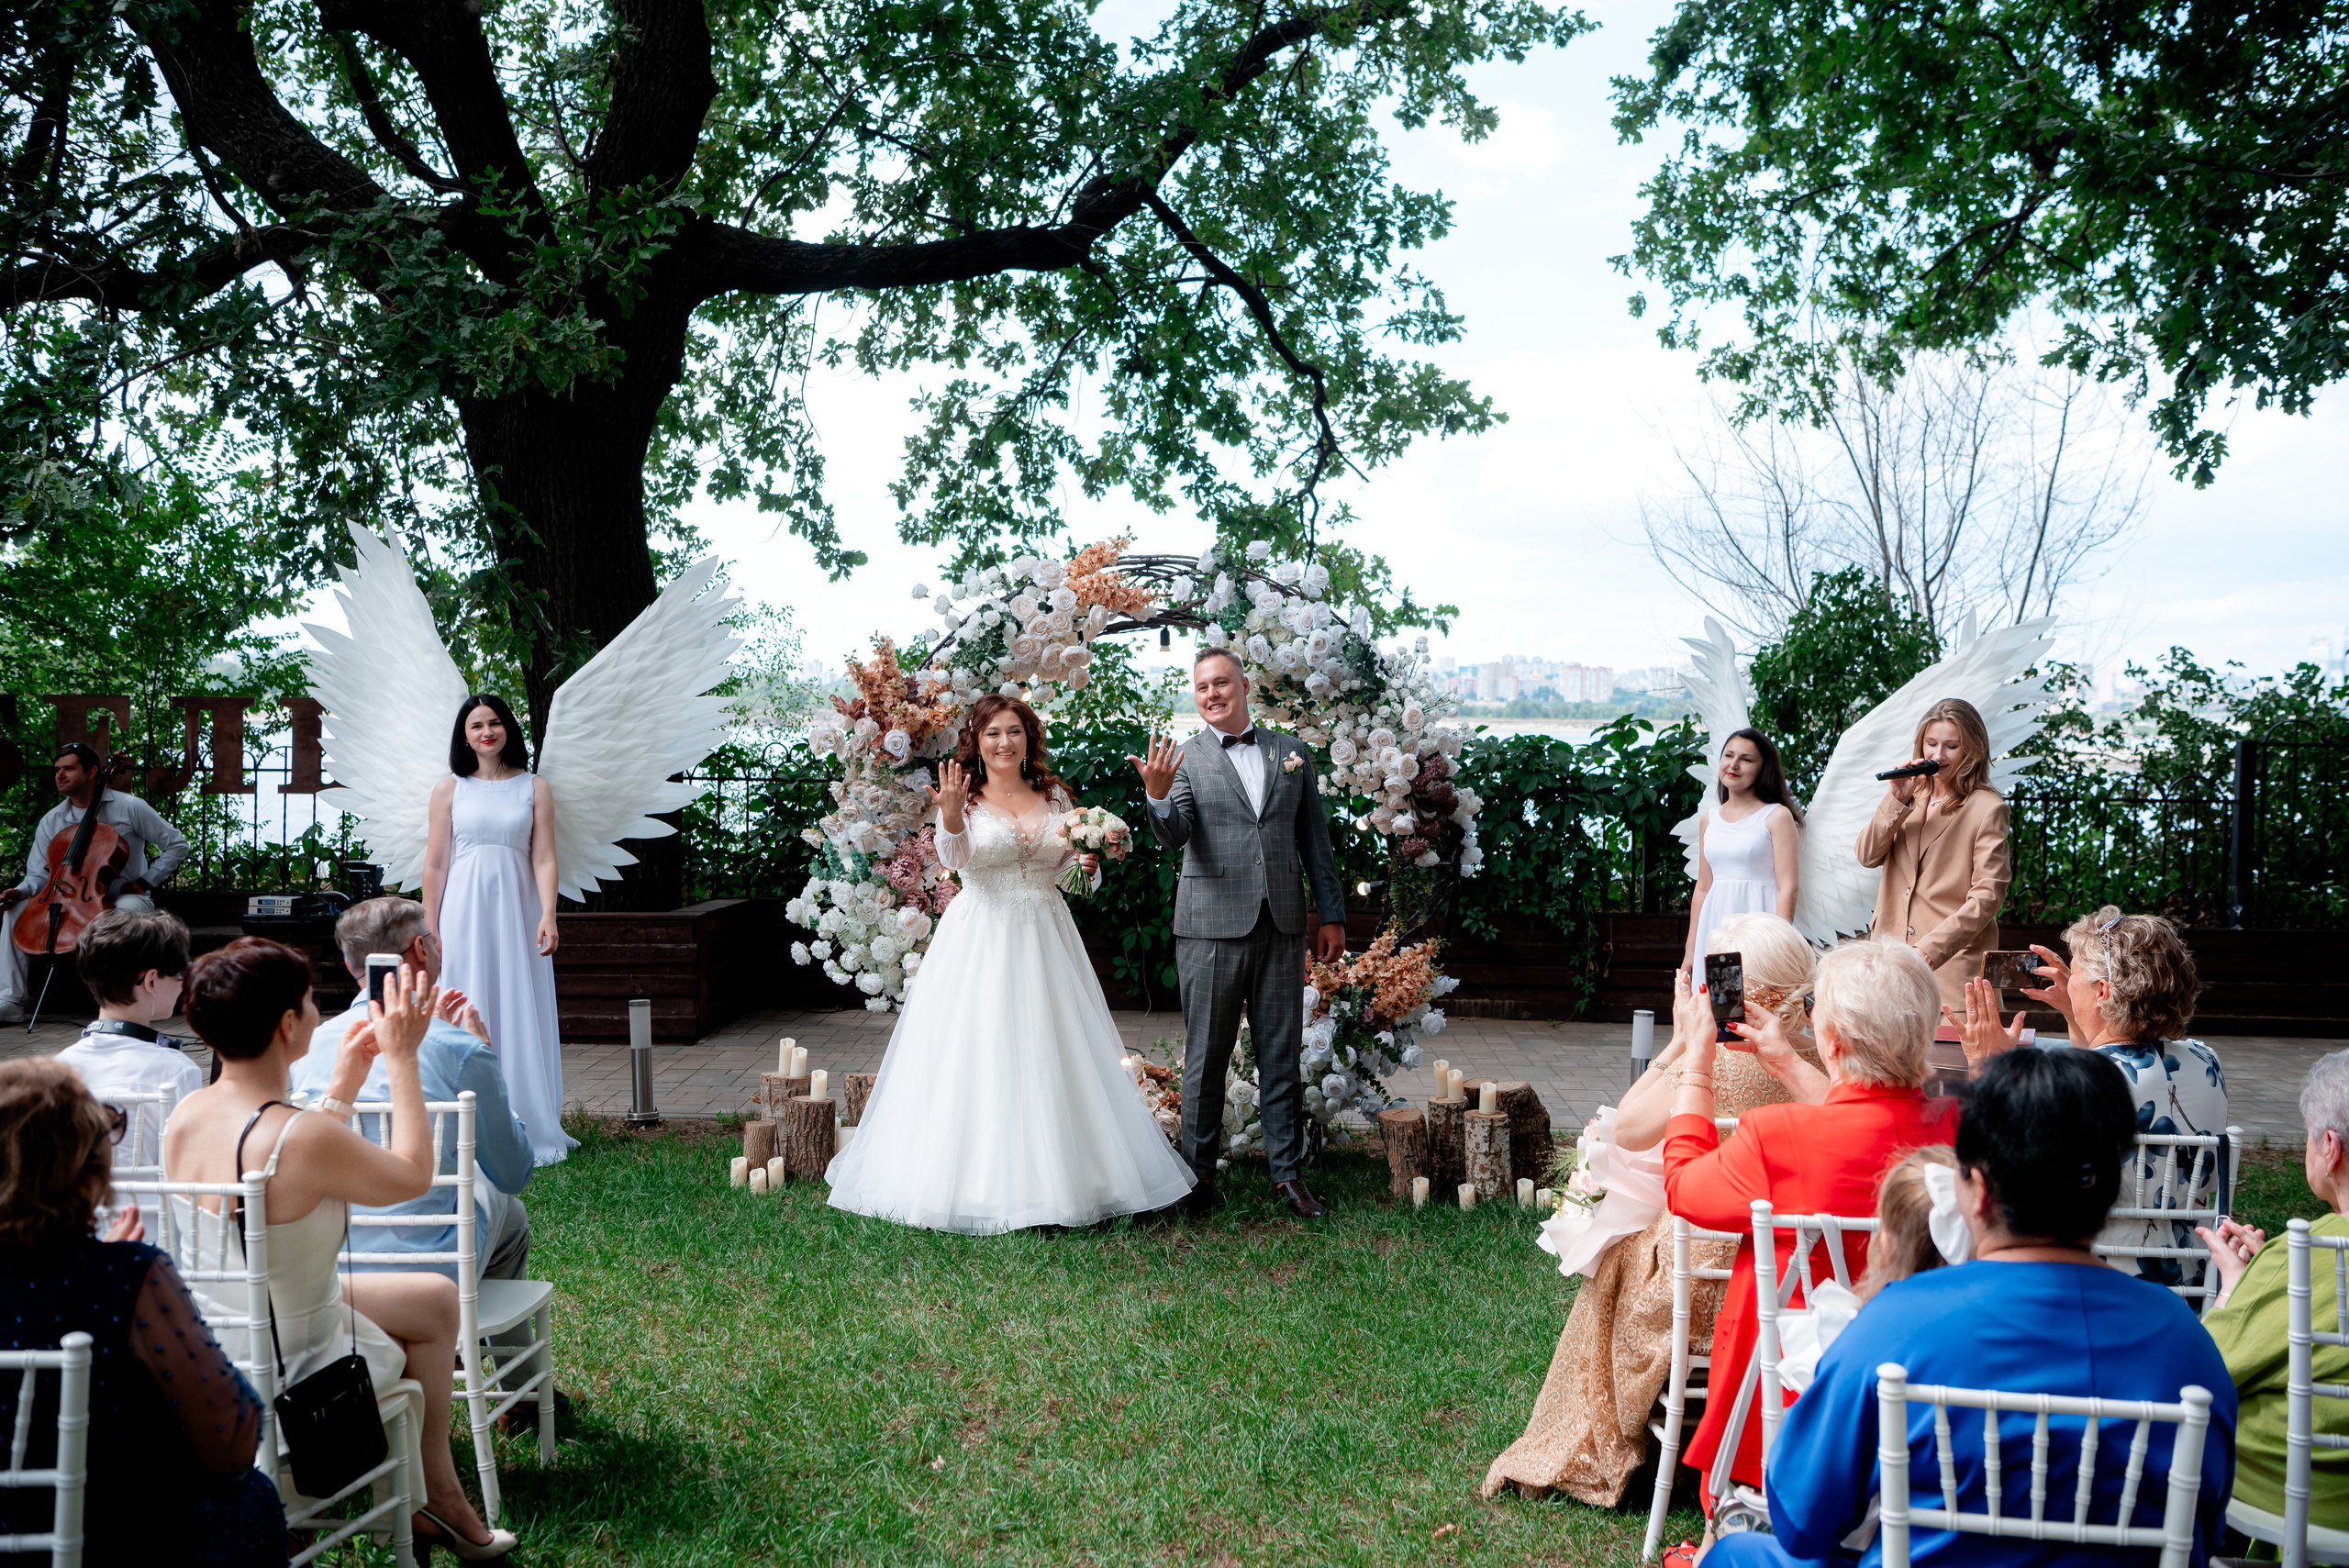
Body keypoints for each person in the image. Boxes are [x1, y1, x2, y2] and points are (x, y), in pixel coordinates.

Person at [1708, 1049, 2236, 1568]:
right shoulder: (2184, 1341)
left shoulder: (1899, 1322)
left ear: (1978, 1192)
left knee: (1736, 1554)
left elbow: (1802, 1523)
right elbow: (2203, 1532)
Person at [164, 937, 516, 1558]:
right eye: (309, 998)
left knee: (434, 1300)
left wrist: (344, 1085)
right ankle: (435, 1490)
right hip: (300, 1364)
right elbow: (409, 1170)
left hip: (228, 1338)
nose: (318, 1008)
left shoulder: (187, 1113)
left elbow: (284, 1165)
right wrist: (402, 1058)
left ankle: (434, 1494)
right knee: (430, 1316)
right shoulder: (300, 1136)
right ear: (287, 1023)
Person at [1484, 912, 1822, 1506]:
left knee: (1616, 1258)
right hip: (1794, 1275)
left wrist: (1678, 1044)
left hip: (1701, 1282)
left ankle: (1602, 1434)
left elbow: (1629, 1128)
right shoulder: (1823, 1065)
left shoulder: (1713, 1061)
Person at [828, 695, 1196, 1233]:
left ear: (1029, 738)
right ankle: (981, 1186)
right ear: (976, 741)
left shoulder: (1055, 796)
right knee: (982, 1052)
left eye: (1015, 731)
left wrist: (1088, 863)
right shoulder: (963, 797)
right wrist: (950, 816)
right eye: (993, 733)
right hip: (982, 937)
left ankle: (1069, 1182)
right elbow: (953, 861)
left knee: (1053, 1048)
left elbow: (1076, 880)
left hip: (1047, 932)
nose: (1005, 742)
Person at [1661, 938, 1960, 1511]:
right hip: (1928, 1376)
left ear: (1835, 1041)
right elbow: (1875, 1120)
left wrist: (1696, 1061)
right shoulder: (1962, 1129)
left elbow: (1683, 1187)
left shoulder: (1776, 1136)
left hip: (1788, 1391)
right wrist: (1787, 1064)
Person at [0, 1059, 284, 1566]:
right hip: (120, 1539)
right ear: (86, 1170)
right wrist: (107, 1271)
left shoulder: (116, 1274)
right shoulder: (127, 1277)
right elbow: (232, 1439)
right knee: (255, 1498)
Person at [1129, 647, 1348, 1219]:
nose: (1212, 695)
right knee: (1206, 1056)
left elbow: (1314, 842)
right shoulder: (1185, 759)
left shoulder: (1292, 754)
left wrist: (1332, 915)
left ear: (1244, 686)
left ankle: (1288, 1174)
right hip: (1209, 931)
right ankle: (1197, 1178)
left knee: (1281, 1051)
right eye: (1202, 688)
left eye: (1221, 683)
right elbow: (1174, 833)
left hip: (1281, 926)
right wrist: (1156, 794)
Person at [1953, 905, 2226, 1286]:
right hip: (2192, 1271)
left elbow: (2000, 1171)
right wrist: (2075, 1010)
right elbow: (2111, 1063)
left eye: (2075, 976)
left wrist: (1989, 1066)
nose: (2069, 982)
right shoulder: (2206, 1062)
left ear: (2103, 991)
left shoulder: (2080, 1083)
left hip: (2095, 1274)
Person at [289, 896, 536, 1284]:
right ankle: (484, 1338)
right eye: (433, 939)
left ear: (353, 965)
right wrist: (485, 1059)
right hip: (431, 1268)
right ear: (421, 949)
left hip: (327, 1264)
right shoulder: (461, 1050)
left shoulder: (307, 1048)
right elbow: (514, 1171)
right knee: (504, 1200)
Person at [2194, 1047, 2349, 1537]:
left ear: (2330, 1147)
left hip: (2307, 1499)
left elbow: (2204, 1372)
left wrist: (2231, 1295)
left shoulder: (2307, 1254)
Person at [424, 694, 572, 1166]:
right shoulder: (449, 789)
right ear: (464, 736)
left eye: (493, 723)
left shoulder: (535, 788)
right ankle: (463, 1121)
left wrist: (548, 913)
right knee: (469, 1000)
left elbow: (544, 857)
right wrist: (430, 926)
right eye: (475, 726)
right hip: (463, 912)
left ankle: (526, 1120)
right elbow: (435, 864)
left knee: (516, 1001)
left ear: (508, 727)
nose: (486, 732)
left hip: (518, 912)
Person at [0, 743, 190, 1024]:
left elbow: (177, 845)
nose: (60, 775)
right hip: (70, 899)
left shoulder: (131, 807)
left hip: (122, 895)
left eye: (68, 768)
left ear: (91, 772)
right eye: (57, 770)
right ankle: (10, 1000)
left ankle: (125, 1002)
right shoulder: (52, 820)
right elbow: (38, 877)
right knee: (15, 913)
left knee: (126, 913)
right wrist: (19, 891)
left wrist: (147, 881)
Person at [1856, 697, 2012, 1014]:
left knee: (1950, 1062)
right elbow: (1867, 855)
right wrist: (1895, 799)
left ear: (1972, 750)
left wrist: (1930, 949)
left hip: (1950, 970)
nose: (1937, 755)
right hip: (1890, 965)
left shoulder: (1987, 808)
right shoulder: (1909, 795)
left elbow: (1987, 897)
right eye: (1931, 744)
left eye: (1951, 746)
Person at [52, 907, 204, 1169]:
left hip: (79, 1209)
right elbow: (194, 1166)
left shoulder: (59, 1068)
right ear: (152, 981)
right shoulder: (177, 1069)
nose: (183, 984)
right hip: (152, 1210)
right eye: (180, 974)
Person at [1680, 729, 1803, 987]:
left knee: (1756, 1007)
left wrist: (1777, 944)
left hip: (1759, 924)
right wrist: (1691, 947)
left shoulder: (1776, 816)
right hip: (1715, 926)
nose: (1733, 765)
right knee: (1722, 1008)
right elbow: (1703, 886)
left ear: (1763, 768)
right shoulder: (1709, 819)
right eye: (1728, 755)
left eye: (1746, 759)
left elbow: (1788, 888)